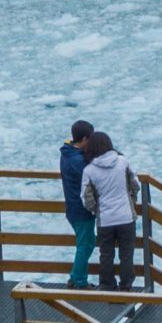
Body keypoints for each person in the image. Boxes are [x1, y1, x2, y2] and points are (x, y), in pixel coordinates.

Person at [79, 131, 140, 291]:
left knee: (106, 255)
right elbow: (135, 184)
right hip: (126, 217)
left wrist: (96, 210)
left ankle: (107, 285)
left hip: (105, 220)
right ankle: (126, 286)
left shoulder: (89, 170)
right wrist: (131, 202)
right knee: (126, 254)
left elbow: (86, 199)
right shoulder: (122, 162)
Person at [60, 120, 96, 289]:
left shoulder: (67, 153)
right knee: (86, 244)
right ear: (84, 139)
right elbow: (92, 176)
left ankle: (77, 277)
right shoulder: (77, 161)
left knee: (86, 243)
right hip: (80, 209)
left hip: (73, 208)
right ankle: (78, 280)